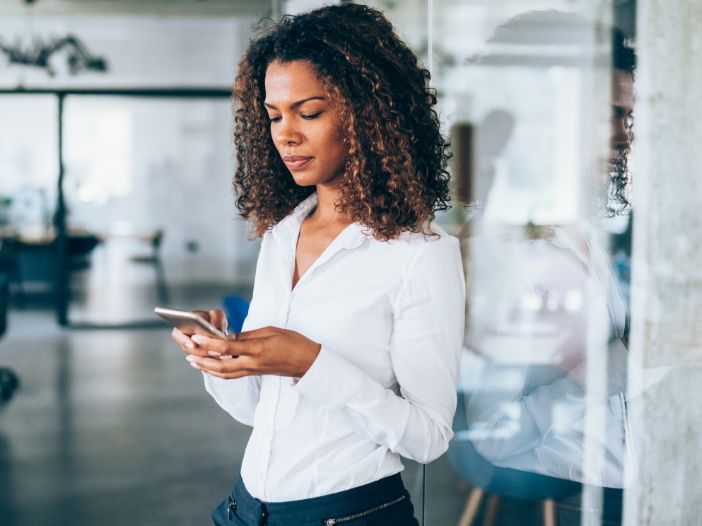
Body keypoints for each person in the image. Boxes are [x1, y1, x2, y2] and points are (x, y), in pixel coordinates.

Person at [170, 4, 465, 525]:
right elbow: (257, 411)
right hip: (245, 508)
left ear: (368, 115)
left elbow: (428, 437)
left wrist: (308, 362)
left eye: (308, 112)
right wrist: (220, 360)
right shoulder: (282, 236)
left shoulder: (421, 254)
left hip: (348, 514)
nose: (285, 134)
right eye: (274, 114)